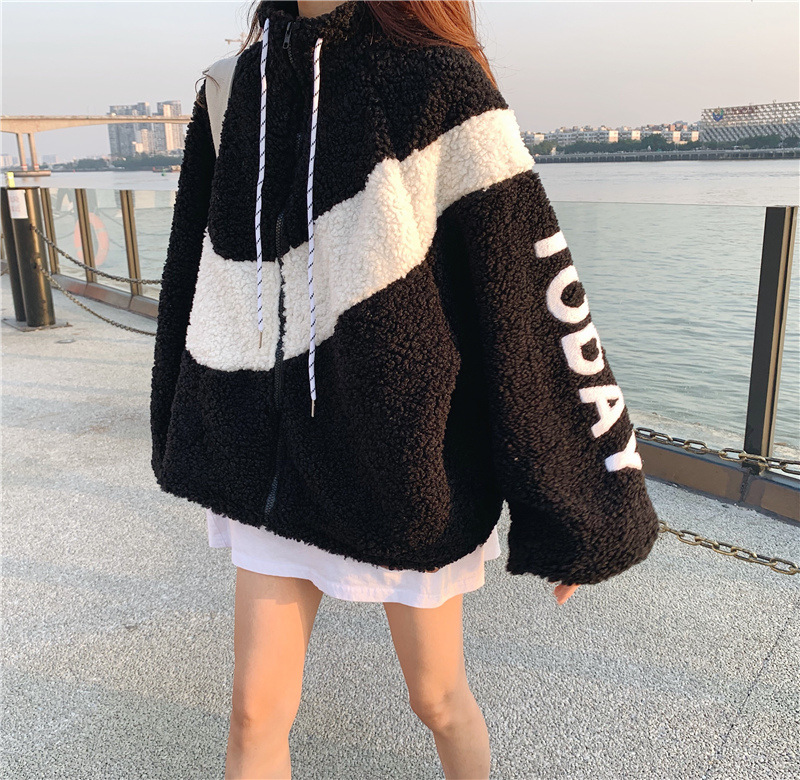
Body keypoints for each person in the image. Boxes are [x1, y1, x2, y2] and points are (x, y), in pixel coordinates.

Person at [150, 1, 661, 777]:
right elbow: (192, 274)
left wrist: (585, 506)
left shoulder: (440, 85)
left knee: (437, 698)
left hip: (403, 463)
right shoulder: (233, 88)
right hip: (270, 466)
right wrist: (184, 426)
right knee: (254, 713)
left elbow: (527, 292)